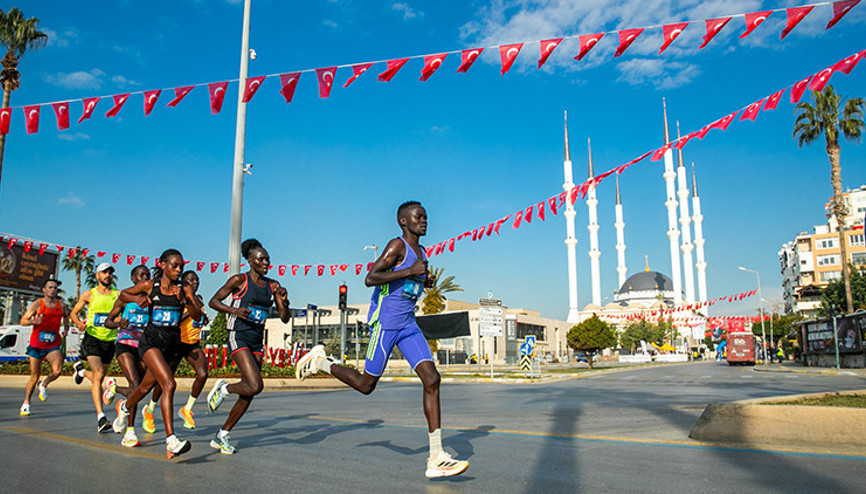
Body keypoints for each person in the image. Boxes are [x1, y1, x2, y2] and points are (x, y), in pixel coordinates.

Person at [295, 201, 469, 479]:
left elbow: (409, 284)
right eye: (418, 217)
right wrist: (410, 272)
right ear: (404, 221)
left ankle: (436, 456)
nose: (424, 220)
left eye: (426, 216)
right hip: (386, 325)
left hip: (408, 325)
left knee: (432, 379)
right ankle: (321, 362)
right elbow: (371, 278)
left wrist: (425, 282)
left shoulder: (422, 252)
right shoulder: (396, 246)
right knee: (366, 386)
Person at [113, 249, 202, 458]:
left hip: (170, 346)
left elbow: (197, 314)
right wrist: (137, 300)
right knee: (169, 384)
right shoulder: (149, 286)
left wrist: (188, 300)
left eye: (181, 266)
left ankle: (124, 407)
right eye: (174, 265)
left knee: (144, 387)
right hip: (150, 343)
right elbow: (123, 294)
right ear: (162, 265)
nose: (179, 270)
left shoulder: (184, 288)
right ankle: (171, 439)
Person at [206, 238, 290, 454]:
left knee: (250, 391)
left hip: (256, 339)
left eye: (268, 259)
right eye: (261, 259)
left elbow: (284, 318)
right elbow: (213, 302)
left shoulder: (273, 285)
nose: (266, 263)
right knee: (256, 385)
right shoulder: (239, 280)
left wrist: (284, 301)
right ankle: (224, 388)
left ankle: (222, 435)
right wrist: (234, 311)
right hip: (238, 335)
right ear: (250, 261)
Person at [70, 262, 120, 432]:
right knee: (98, 375)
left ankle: (81, 372)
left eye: (110, 273)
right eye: (104, 272)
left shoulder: (118, 295)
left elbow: (126, 312)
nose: (107, 275)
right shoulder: (89, 295)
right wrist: (78, 323)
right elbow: (73, 313)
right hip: (92, 338)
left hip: (110, 340)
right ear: (97, 275)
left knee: (99, 376)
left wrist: (121, 320)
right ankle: (101, 417)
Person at [103, 265, 151, 434]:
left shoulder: (152, 299)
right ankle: (130, 431)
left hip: (143, 346)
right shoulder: (125, 298)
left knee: (143, 387)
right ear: (133, 279)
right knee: (135, 384)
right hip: (125, 343)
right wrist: (118, 323)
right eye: (141, 275)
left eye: (147, 275)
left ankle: (115, 390)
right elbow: (107, 321)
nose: (145, 278)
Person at [18, 278, 69, 416]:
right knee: (34, 376)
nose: (53, 290)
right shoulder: (37, 304)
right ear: (44, 290)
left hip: (53, 344)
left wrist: (67, 328)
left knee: (57, 370)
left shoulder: (61, 304)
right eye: (50, 287)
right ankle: (26, 402)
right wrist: (34, 321)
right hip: (37, 345)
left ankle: (44, 384)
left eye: (55, 288)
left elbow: (66, 317)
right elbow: (23, 321)